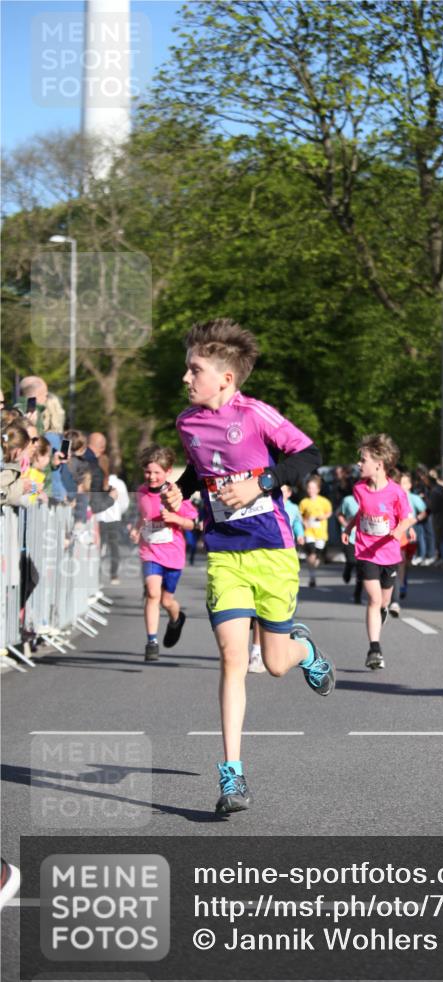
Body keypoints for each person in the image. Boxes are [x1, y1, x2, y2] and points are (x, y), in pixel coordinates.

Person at [164, 317, 335, 817]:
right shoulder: (186, 423)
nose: (186, 378)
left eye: (194, 370)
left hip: (272, 551)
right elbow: (201, 467)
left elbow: (310, 454)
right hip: (224, 553)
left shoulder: (257, 414)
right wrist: (185, 489)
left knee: (276, 664)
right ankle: (232, 775)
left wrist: (262, 485)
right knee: (233, 660)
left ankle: (305, 650)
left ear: (226, 378)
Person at [342, 434, 414, 670]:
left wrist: (398, 531)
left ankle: (376, 639)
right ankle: (375, 649)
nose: (359, 464)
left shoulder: (395, 492)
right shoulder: (359, 489)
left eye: (363, 460)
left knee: (383, 603)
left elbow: (408, 518)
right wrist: (350, 527)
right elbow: (363, 512)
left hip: (390, 554)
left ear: (379, 464)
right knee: (374, 600)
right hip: (366, 551)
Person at [129, 445, 197, 662]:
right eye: (148, 472)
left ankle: (176, 618)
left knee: (167, 601)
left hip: (173, 554)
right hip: (150, 552)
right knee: (152, 594)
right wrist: (136, 528)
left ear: (167, 472)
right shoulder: (141, 492)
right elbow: (143, 516)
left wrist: (176, 519)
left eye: (157, 472)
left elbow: (192, 523)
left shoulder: (177, 493)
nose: (152, 476)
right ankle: (152, 642)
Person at [248, 485, 305, 675]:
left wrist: (300, 534)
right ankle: (256, 651)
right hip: (252, 553)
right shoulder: (257, 499)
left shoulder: (291, 508)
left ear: (288, 492)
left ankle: (271, 644)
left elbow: (296, 523)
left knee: (268, 611)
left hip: (281, 554)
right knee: (256, 609)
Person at [388, 471, 424, 614]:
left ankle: (403, 580)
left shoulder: (413, 498)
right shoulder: (395, 495)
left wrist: (416, 520)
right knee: (401, 561)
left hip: (412, 532)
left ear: (409, 485)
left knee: (407, 562)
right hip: (401, 532)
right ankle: (401, 584)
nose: (401, 486)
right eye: (399, 483)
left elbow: (425, 510)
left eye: (404, 483)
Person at [298, 474, 332, 587]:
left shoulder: (324, 501)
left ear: (318, 489)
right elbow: (300, 515)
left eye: (313, 488)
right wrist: (304, 522)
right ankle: (312, 577)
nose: (311, 490)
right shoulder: (304, 502)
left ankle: (315, 562)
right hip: (309, 531)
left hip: (321, 532)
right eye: (309, 488)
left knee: (317, 554)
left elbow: (329, 512)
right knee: (311, 552)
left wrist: (324, 517)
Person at [96, 471, 130, 583]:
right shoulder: (119, 483)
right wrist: (118, 512)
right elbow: (124, 502)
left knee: (99, 547)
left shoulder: (98, 480)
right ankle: (114, 575)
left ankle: (97, 575)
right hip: (114, 519)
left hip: (100, 517)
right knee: (114, 547)